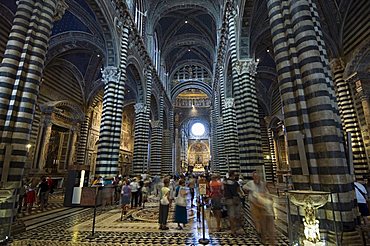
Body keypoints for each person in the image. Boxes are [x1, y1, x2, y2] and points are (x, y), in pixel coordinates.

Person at [243, 172, 275, 244]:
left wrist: (266, 197)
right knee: (256, 219)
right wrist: (249, 191)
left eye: (258, 177)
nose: (257, 179)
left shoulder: (262, 184)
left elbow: (267, 193)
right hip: (254, 204)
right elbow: (244, 187)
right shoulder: (250, 183)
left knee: (265, 222)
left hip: (263, 205)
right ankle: (260, 232)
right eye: (255, 177)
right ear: (253, 177)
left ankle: (267, 238)